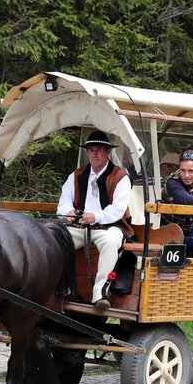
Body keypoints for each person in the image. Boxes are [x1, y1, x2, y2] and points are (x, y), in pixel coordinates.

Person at [57, 130, 133, 309]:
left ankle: (100, 293)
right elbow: (64, 201)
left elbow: (118, 210)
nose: (95, 154)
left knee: (110, 241)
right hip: (79, 226)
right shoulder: (77, 175)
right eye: (91, 150)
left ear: (107, 152)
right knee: (57, 238)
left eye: (99, 149)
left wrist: (96, 216)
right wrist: (68, 213)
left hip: (109, 226)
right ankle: (63, 287)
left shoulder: (120, 177)